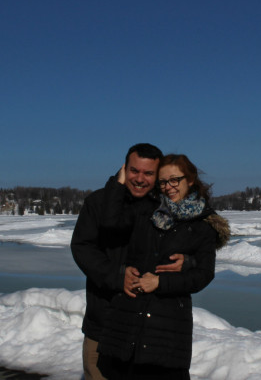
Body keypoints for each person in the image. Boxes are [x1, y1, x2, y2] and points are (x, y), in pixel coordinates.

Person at [97, 154, 230, 380]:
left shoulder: (203, 225)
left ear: (190, 180)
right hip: (129, 318)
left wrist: (161, 282)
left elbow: (204, 274)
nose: (168, 187)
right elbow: (110, 223)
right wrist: (118, 181)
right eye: (163, 182)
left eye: (174, 180)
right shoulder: (146, 211)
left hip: (167, 327)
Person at [71, 143, 188, 380]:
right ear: (124, 168)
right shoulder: (98, 202)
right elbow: (82, 247)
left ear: (158, 175)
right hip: (103, 319)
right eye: (134, 171)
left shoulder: (166, 207)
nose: (140, 179)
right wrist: (116, 276)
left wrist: (189, 260)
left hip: (150, 328)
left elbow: (194, 243)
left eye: (148, 173)